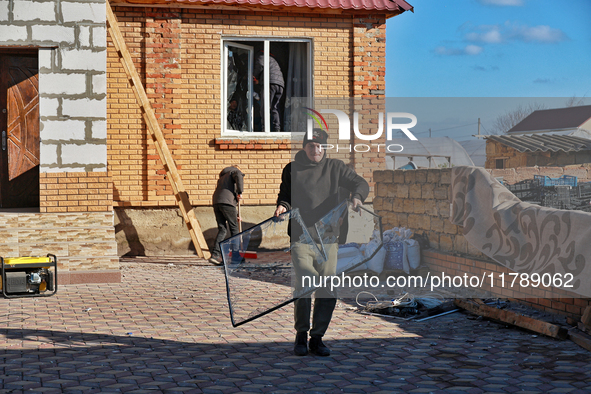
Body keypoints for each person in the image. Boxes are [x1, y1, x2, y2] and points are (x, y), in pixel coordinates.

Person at [274, 129, 369, 356]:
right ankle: (301, 335)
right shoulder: (292, 169)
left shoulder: (336, 168)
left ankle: (317, 338)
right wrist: (282, 206)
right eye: (310, 146)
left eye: (319, 146)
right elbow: (285, 195)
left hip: (328, 239)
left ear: (325, 148)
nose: (315, 150)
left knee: (327, 288)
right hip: (301, 237)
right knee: (306, 284)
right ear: (304, 147)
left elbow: (360, 183)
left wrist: (357, 198)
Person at [210, 165, 244, 265]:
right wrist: (240, 192)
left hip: (216, 202)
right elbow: (238, 174)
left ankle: (215, 255)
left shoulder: (222, 177)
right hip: (227, 203)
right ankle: (235, 257)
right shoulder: (235, 171)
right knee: (234, 229)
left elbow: (226, 195)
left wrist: (236, 214)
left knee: (222, 229)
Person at [253, 50, 284, 132]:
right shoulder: (273, 60)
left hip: (269, 84)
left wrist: (254, 75)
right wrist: (259, 81)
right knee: (275, 107)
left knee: (265, 106)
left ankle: (265, 129)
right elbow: (271, 73)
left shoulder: (262, 56)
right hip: (280, 84)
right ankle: (277, 128)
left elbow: (260, 65)